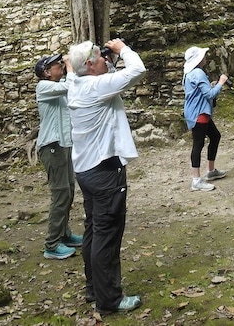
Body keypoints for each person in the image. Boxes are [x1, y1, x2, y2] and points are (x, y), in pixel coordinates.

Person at [67, 38, 146, 314]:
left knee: (93, 230)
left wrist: (108, 58)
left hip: (86, 170)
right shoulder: (96, 87)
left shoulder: (75, 84)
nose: (105, 58)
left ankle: (94, 288)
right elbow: (137, 70)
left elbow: (87, 70)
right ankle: (110, 300)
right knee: (107, 235)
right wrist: (123, 49)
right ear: (89, 64)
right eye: (100, 57)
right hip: (105, 173)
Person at [35, 52, 83, 260]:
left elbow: (75, 86)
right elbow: (69, 86)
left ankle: (64, 234)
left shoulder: (59, 86)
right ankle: (51, 245)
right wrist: (71, 67)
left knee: (69, 191)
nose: (61, 67)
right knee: (60, 193)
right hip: (52, 147)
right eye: (56, 66)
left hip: (64, 146)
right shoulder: (44, 87)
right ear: (46, 72)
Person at [182, 46, 229, 192]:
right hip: (199, 114)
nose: (205, 57)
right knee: (198, 144)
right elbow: (209, 95)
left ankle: (211, 170)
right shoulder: (198, 73)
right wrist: (221, 83)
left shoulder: (189, 73)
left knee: (215, 136)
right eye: (203, 55)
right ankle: (196, 180)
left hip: (198, 113)